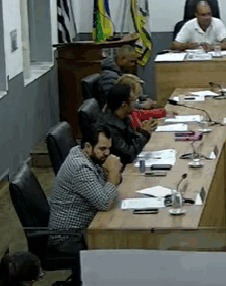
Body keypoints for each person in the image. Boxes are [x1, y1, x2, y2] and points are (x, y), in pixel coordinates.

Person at [47, 125, 121, 286]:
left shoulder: (84, 154)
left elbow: (103, 188)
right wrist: (113, 174)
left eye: (109, 148)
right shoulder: (80, 167)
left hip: (84, 228)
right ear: (87, 146)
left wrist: (111, 176)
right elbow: (104, 202)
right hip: (69, 237)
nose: (107, 153)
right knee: (118, 248)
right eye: (102, 149)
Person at [96, 83, 152, 165]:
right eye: (133, 100)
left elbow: (132, 138)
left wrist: (143, 130)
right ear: (124, 105)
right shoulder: (109, 127)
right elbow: (128, 155)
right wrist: (144, 133)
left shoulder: (122, 117)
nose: (135, 103)